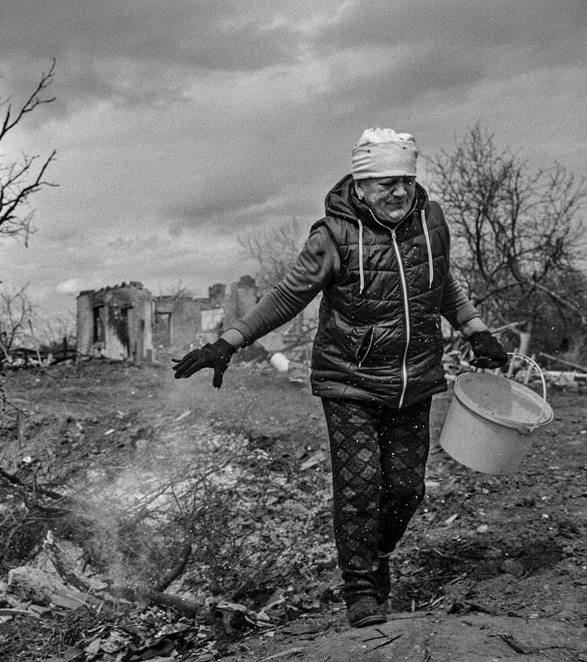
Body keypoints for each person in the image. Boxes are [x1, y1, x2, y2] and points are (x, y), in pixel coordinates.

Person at [172, 128, 508, 628]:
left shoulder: (431, 222)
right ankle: (360, 590)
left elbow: (442, 283)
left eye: (405, 181)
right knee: (359, 486)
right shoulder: (332, 236)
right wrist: (229, 342)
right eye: (384, 183)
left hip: (414, 379)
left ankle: (376, 557)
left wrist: (477, 329)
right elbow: (287, 296)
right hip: (348, 379)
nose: (397, 193)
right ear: (360, 184)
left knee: (407, 489)